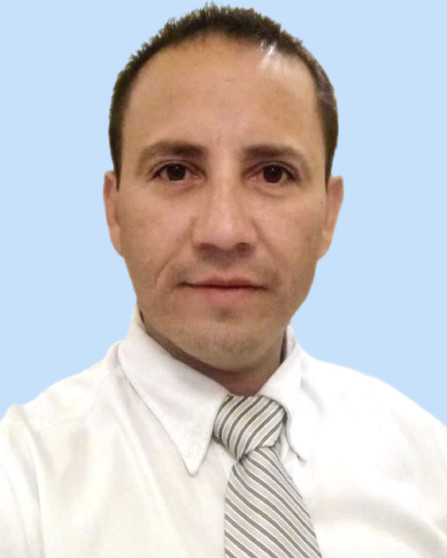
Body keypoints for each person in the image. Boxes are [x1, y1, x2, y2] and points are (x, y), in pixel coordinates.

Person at [1, 4, 446, 557]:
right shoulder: (23, 485)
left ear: (329, 215)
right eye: (176, 171)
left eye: (273, 173)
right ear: (114, 211)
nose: (224, 231)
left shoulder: (428, 464)